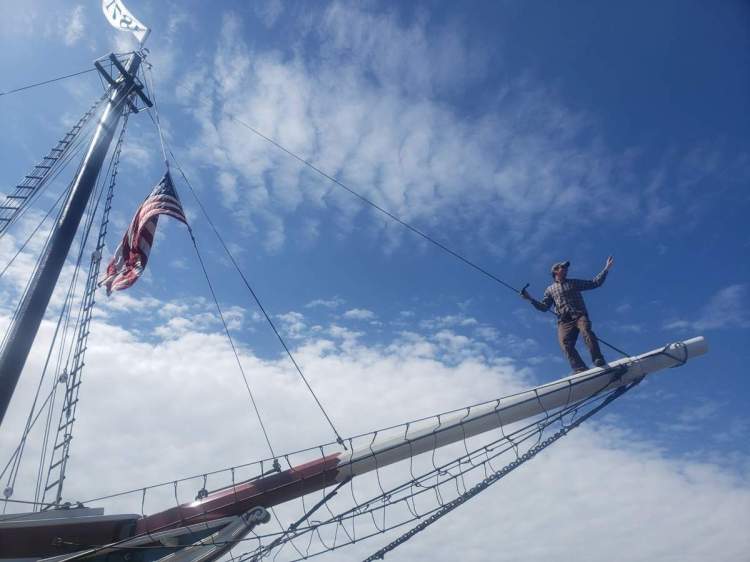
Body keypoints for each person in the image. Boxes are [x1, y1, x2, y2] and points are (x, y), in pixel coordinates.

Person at [521, 256, 614, 373]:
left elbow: (595, 283)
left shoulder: (573, 282)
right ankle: (580, 369)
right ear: (555, 271)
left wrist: (606, 268)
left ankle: (597, 358)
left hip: (579, 315)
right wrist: (530, 298)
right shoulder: (550, 290)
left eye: (566, 268)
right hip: (564, 321)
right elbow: (544, 307)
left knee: (586, 331)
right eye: (563, 267)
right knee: (564, 343)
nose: (566, 269)